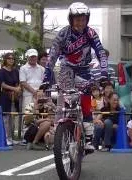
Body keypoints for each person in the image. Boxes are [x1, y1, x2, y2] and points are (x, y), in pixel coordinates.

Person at [43, 2, 109, 153]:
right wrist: (46, 77)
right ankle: (59, 130)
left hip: (84, 69)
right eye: (77, 19)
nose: (80, 22)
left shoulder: (91, 33)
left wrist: (104, 73)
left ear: (87, 20)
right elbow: (52, 56)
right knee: (64, 98)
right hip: (66, 69)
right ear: (71, 20)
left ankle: (89, 138)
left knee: (85, 100)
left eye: (83, 19)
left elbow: (101, 53)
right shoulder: (63, 34)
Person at [0, 52, 21, 145]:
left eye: (12, 58)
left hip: (14, 96)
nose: (11, 60)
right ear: (5, 60)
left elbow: (18, 82)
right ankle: (6, 137)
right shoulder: (1, 71)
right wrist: (14, 89)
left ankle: (11, 137)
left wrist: (18, 89)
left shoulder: (16, 71)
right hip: (5, 95)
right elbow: (2, 84)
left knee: (13, 117)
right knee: (6, 117)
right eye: (9, 58)